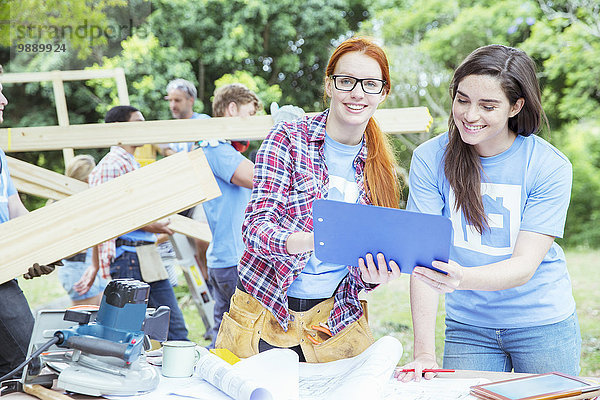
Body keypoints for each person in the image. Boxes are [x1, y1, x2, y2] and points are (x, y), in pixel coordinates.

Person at [398, 44, 580, 380]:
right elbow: (422, 262)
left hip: (542, 322)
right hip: (469, 327)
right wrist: (423, 352)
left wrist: (461, 279)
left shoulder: (548, 165)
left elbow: (524, 266)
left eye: (488, 105)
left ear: (516, 106)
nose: (470, 115)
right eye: (462, 99)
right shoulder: (429, 158)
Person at [215, 37, 402, 363]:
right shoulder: (288, 138)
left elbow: (360, 268)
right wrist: (315, 240)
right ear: (329, 85)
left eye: (370, 84)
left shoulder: (379, 164)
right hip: (265, 311)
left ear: (383, 92)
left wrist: (371, 277)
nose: (357, 93)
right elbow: (255, 230)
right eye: (346, 81)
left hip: (336, 320)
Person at [73, 105, 189, 341]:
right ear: (119, 128)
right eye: (138, 121)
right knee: (128, 333)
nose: (143, 127)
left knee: (169, 326)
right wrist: (151, 225)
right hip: (128, 256)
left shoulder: (130, 163)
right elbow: (105, 214)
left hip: (145, 253)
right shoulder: (111, 164)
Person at [0, 68, 61, 379]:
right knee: (26, 363)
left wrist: (42, 248)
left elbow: (15, 210)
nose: (4, 100)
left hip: (3, 275)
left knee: (21, 366)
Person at [198, 83, 260, 348]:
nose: (253, 123)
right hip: (234, 261)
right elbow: (258, 178)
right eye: (250, 114)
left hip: (226, 259)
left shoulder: (223, 149)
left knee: (223, 339)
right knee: (247, 338)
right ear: (232, 109)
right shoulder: (215, 148)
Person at [57, 154, 108, 306]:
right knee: (86, 324)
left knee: (97, 322)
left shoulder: (85, 202)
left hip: (88, 263)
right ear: (87, 179)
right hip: (78, 266)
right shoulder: (63, 204)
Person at [163, 78, 210, 155]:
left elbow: (194, 156)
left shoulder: (202, 120)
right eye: (170, 100)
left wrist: (168, 152)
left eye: (177, 100)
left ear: (191, 101)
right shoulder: (172, 127)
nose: (173, 105)